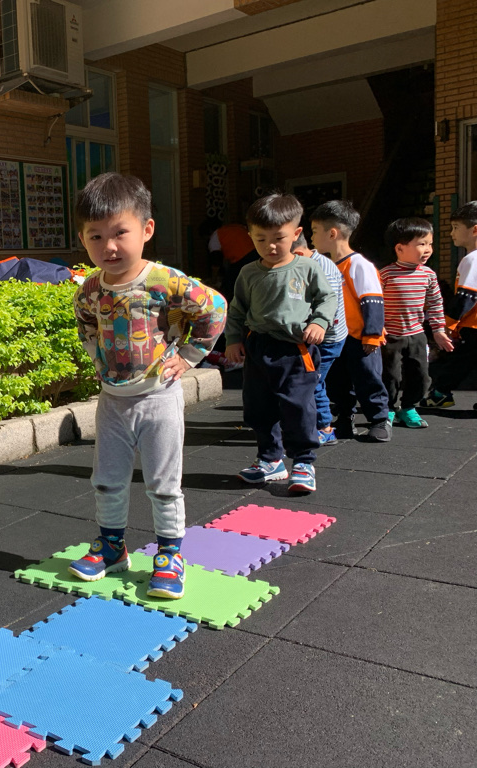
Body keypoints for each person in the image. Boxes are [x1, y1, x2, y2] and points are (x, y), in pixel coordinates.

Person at [68, 173, 227, 599]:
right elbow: (85, 322)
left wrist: (189, 356)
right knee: (107, 479)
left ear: (147, 229)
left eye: (120, 233)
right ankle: (112, 547)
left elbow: (214, 308)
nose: (109, 246)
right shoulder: (90, 289)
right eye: (96, 236)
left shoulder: (165, 282)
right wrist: (97, 357)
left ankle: (170, 554)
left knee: (163, 483)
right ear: (83, 239)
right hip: (112, 402)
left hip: (158, 397)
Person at [225, 193, 335, 494]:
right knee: (258, 407)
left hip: (295, 349)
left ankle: (303, 461)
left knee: (297, 407)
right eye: (261, 239)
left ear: (296, 233)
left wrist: (319, 322)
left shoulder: (307, 268)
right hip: (259, 347)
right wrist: (233, 340)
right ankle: (270, 459)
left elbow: (327, 298)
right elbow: (237, 309)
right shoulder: (249, 273)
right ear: (250, 236)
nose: (270, 246)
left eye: (278, 238)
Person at [310, 200, 392, 442]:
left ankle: (380, 420)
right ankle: (344, 419)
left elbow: (373, 301)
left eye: (314, 231)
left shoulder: (359, 265)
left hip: (360, 337)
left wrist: (372, 335)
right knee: (338, 382)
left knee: (368, 379)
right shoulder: (324, 265)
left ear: (332, 233)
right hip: (336, 337)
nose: (311, 237)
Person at [380, 218, 454, 426]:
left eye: (430, 243)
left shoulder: (428, 275)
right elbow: (375, 304)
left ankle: (408, 407)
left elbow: (435, 303)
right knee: (391, 375)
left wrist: (438, 330)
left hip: (416, 334)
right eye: (422, 244)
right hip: (390, 336)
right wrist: (377, 329)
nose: (428, 249)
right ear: (400, 248)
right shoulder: (385, 274)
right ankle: (389, 409)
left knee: (421, 375)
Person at [292, 232, 347, 445]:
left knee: (313, 380)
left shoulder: (321, 267)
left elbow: (330, 306)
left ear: (298, 253)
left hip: (327, 338)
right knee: (312, 378)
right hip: (320, 336)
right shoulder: (313, 263)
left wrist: (316, 323)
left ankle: (324, 427)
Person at [422, 201, 477, 409]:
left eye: (455, 227)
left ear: (474, 230)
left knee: (459, 361)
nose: (451, 233)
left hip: (473, 326)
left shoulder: (472, 259)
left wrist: (448, 324)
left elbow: (466, 297)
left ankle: (441, 393)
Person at [209, 221, 257, 301]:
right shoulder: (232, 228)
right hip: (255, 252)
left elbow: (216, 260)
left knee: (230, 284)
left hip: (241, 257)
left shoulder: (214, 238)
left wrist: (214, 279)